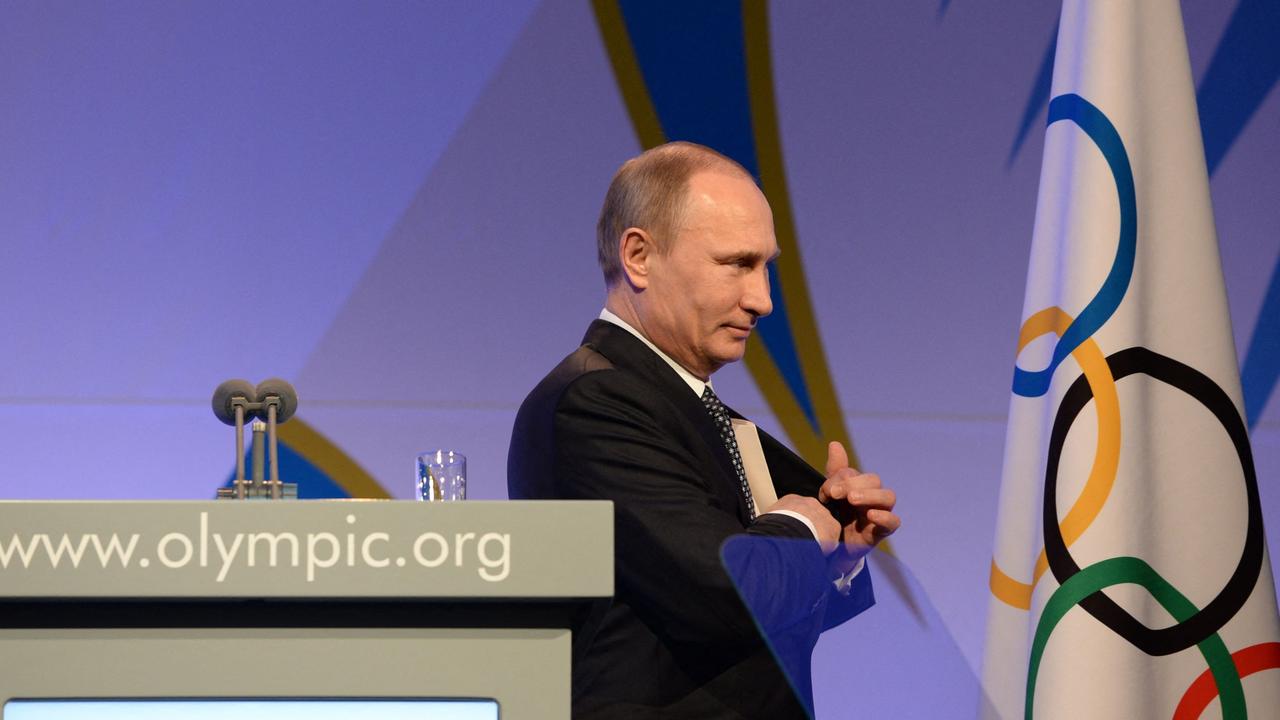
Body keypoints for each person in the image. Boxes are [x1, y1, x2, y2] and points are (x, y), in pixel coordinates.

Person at [507, 141, 900, 719]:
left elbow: (752, 619)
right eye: (737, 264)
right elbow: (720, 594)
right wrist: (802, 524)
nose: (763, 299)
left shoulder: (694, 409)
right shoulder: (596, 401)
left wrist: (836, 557)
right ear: (639, 256)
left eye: (767, 267)